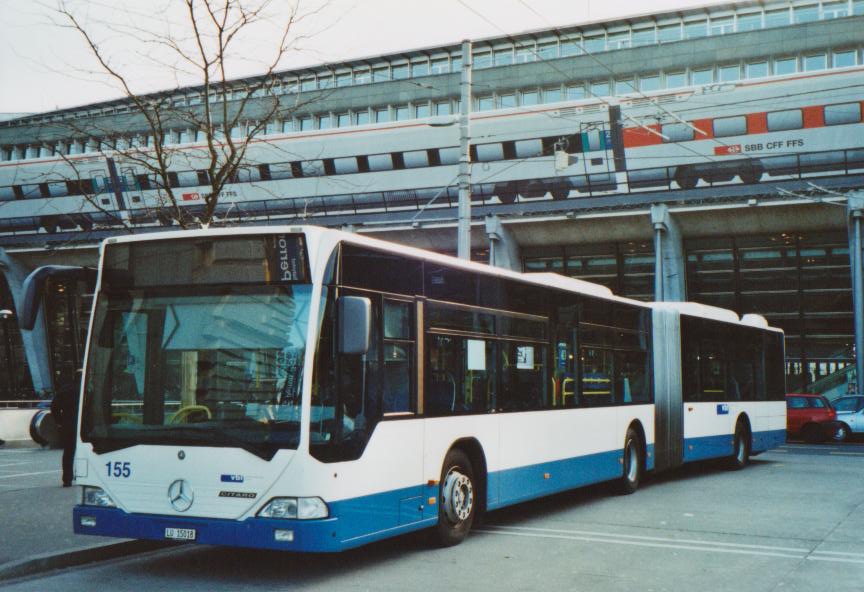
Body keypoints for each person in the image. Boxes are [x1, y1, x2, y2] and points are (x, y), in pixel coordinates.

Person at [51, 373, 81, 487]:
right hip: (84, 425)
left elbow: (54, 407)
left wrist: (60, 421)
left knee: (68, 452)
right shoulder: (86, 390)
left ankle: (67, 479)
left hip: (68, 425)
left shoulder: (65, 390)